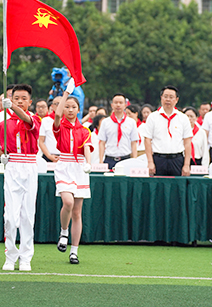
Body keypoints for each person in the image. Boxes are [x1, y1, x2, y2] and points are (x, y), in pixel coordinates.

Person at [0, 84, 42, 272]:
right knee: (10, 218)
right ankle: (10, 256)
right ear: (11, 99)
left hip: (29, 167)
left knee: (27, 216)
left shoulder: (35, 119)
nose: (20, 101)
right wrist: (2, 155)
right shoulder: (3, 124)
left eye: (23, 99)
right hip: (12, 167)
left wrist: (12, 107)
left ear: (30, 102)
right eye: (16, 98)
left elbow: (26, 119)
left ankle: (26, 258)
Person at [52, 79, 92, 265]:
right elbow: (57, 114)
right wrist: (66, 94)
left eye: (73, 107)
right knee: (67, 202)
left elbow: (87, 148)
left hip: (79, 167)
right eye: (67, 107)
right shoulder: (59, 127)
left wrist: (88, 163)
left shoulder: (84, 130)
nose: (69, 110)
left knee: (77, 212)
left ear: (78, 109)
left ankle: (74, 251)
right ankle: (63, 232)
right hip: (64, 165)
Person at [142, 86, 192, 176]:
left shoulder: (183, 118)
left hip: (177, 159)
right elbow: (147, 140)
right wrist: (150, 162)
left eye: (171, 97)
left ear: (176, 100)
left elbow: (187, 142)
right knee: (158, 184)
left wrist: (186, 165)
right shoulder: (153, 117)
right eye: (165, 96)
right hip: (158, 159)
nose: (168, 99)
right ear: (161, 98)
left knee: (177, 184)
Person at [98, 94, 138, 170]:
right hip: (110, 159)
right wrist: (100, 161)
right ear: (112, 105)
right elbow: (102, 142)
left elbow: (133, 142)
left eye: (121, 102)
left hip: (125, 159)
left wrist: (134, 160)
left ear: (125, 105)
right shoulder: (105, 122)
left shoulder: (131, 122)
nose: (118, 105)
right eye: (116, 102)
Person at [39, 96, 61, 162]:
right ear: (52, 106)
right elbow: (41, 141)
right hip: (48, 156)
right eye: (57, 104)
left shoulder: (68, 121)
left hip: (64, 157)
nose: (59, 106)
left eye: (61, 104)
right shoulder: (45, 120)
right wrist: (49, 156)